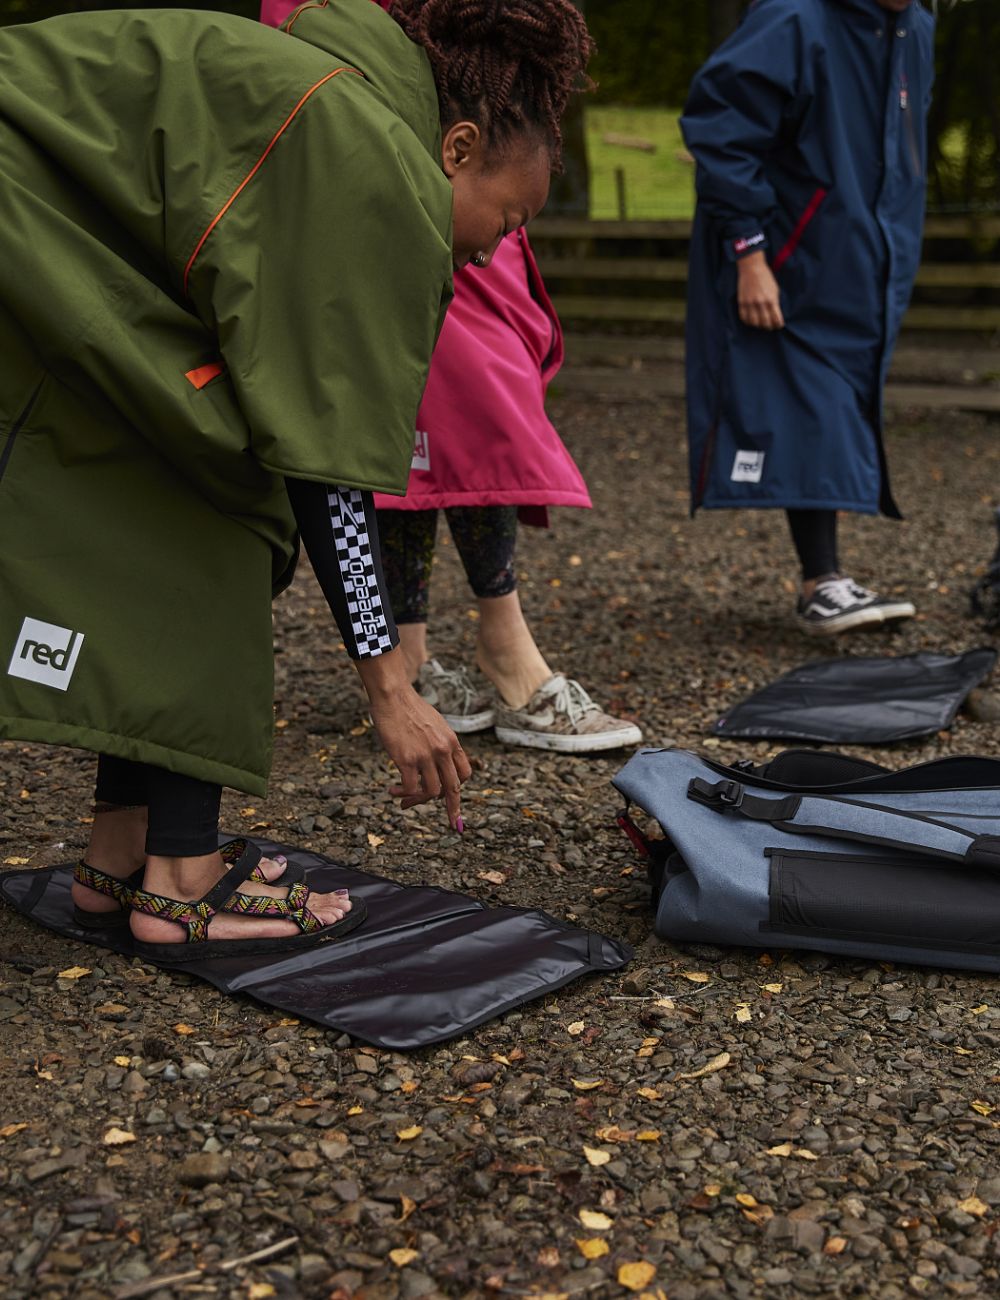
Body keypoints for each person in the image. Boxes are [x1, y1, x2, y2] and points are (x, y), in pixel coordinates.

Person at [0, 0, 593, 960]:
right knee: (227, 487)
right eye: (506, 218)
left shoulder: (335, 97)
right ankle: (181, 881)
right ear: (458, 145)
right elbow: (324, 471)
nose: (490, 251)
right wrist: (390, 688)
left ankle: (124, 855)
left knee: (168, 485)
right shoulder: (369, 162)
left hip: (46, 217)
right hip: (29, 214)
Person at [260, 0, 642, 755]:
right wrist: (383, 684)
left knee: (445, 416)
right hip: (410, 171)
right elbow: (328, 455)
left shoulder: (471, 136)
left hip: (448, 175)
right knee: (430, 417)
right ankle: (451, 655)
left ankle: (427, 654)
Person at [681, 0, 933, 635]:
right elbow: (720, 126)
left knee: (836, 409)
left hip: (860, 266)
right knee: (811, 408)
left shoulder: (916, 29)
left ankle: (824, 580)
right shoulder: (792, 20)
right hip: (790, 258)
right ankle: (823, 580)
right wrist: (749, 251)